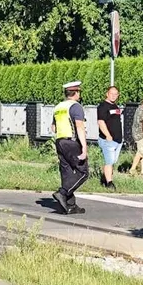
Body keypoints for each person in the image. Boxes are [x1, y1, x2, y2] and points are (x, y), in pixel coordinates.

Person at [51, 80, 88, 215]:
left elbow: (53, 127)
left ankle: (70, 205)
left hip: (60, 141)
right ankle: (62, 193)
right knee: (82, 172)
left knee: (66, 172)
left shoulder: (58, 107)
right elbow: (79, 126)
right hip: (72, 142)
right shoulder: (76, 106)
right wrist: (84, 147)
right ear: (76, 93)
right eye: (79, 92)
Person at [96, 86, 123, 191]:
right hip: (108, 140)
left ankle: (106, 178)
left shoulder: (115, 106)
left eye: (116, 94)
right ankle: (109, 183)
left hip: (117, 139)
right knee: (109, 162)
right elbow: (101, 122)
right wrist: (108, 135)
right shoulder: (103, 106)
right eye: (111, 93)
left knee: (112, 161)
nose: (113, 96)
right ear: (107, 94)